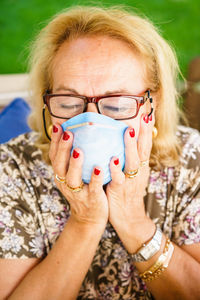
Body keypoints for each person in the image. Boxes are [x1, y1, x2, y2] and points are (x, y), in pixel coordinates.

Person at [0, 5, 200, 300]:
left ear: (151, 103)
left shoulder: (190, 160)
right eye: (68, 102)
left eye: (117, 104)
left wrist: (133, 221)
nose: (91, 122)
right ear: (47, 102)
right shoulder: (12, 168)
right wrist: (85, 221)